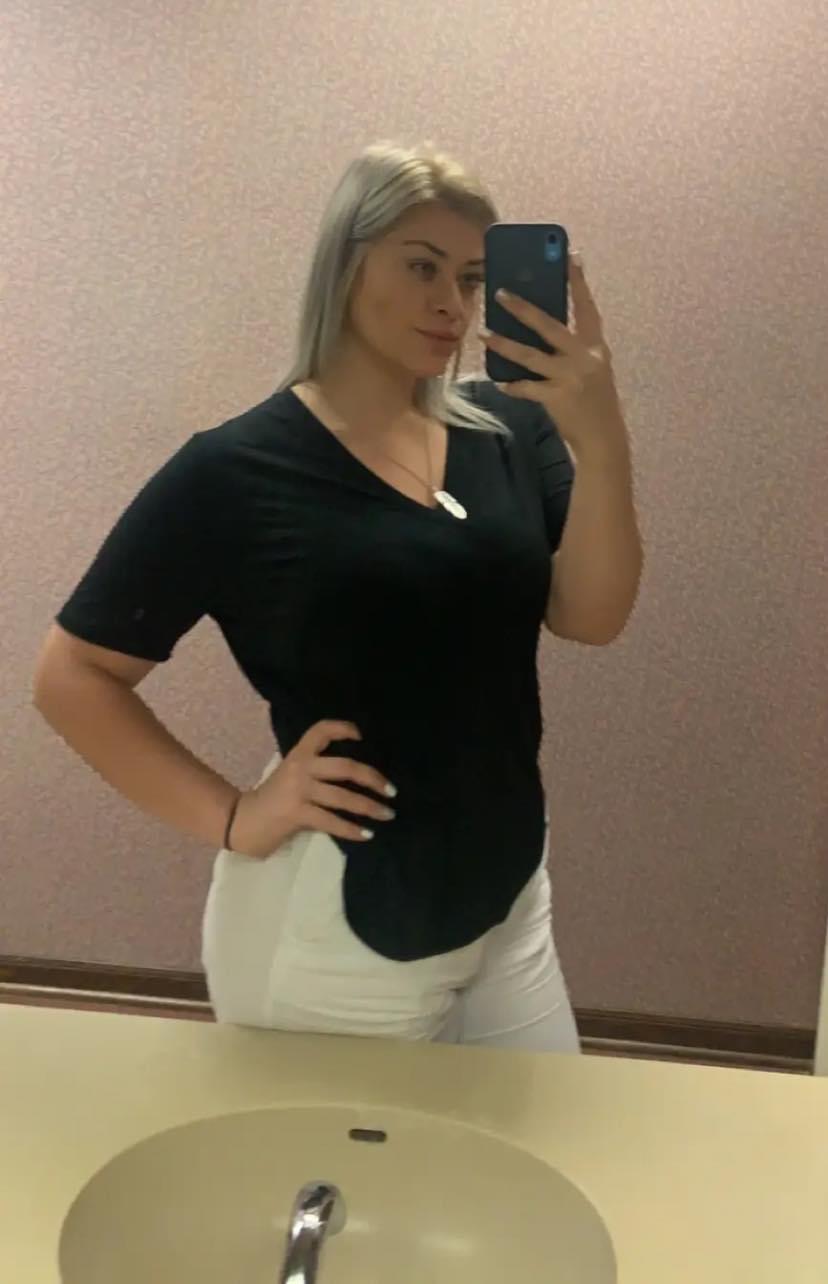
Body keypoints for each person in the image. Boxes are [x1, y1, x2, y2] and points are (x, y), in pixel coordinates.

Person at [33, 140, 642, 1051]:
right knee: (336, 1154)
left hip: (508, 894)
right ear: (346, 264)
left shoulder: (509, 427)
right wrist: (235, 816)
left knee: (541, 1139)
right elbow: (72, 676)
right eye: (422, 266)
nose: (452, 303)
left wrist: (603, 437)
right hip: (340, 925)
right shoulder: (235, 471)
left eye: (471, 279)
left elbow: (592, 617)